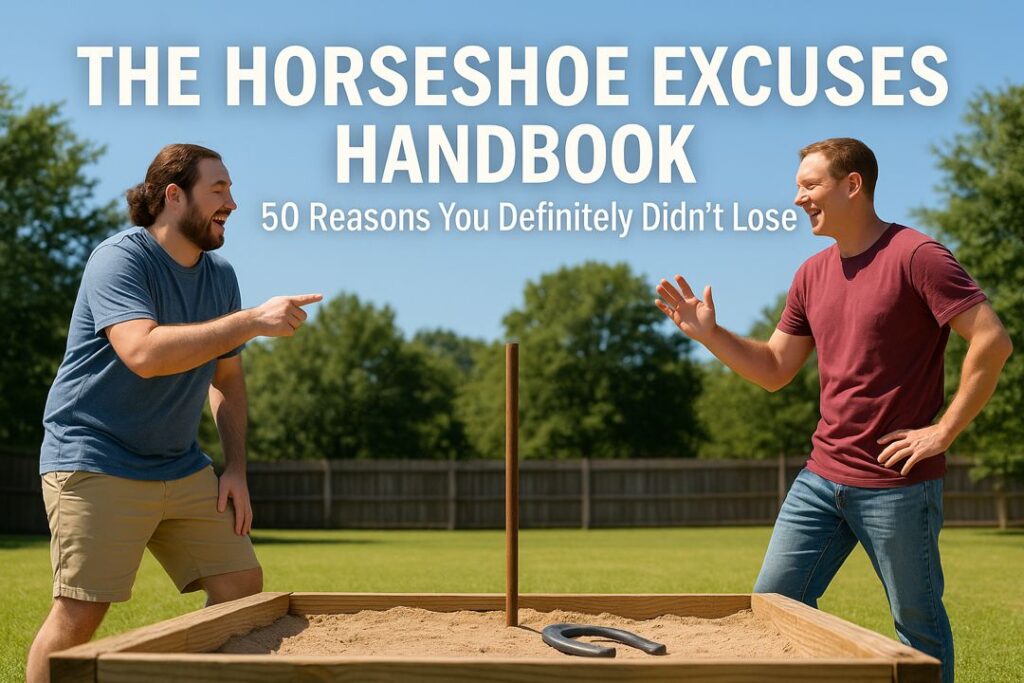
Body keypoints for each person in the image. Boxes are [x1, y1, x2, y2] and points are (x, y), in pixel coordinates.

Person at [654, 137, 1011, 683]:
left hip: (898, 483)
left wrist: (943, 431)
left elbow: (991, 340)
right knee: (774, 604)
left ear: (852, 185)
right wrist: (711, 335)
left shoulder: (918, 256)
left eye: (810, 185)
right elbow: (774, 369)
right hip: (822, 480)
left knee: (917, 626)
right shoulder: (811, 274)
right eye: (798, 187)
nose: (798, 199)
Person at [26, 144, 322, 683]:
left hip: (179, 465)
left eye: (230, 190)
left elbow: (226, 378)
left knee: (239, 588)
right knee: (80, 614)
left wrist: (234, 469)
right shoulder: (120, 259)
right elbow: (143, 354)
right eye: (219, 189)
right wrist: (253, 319)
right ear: (173, 195)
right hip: (95, 456)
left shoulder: (219, 277)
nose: (232, 201)